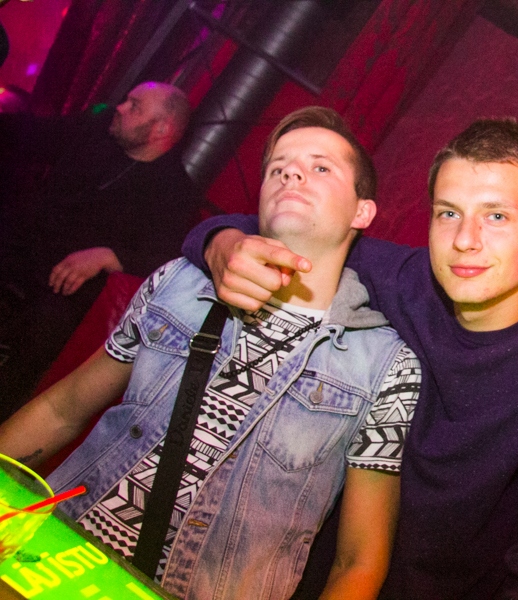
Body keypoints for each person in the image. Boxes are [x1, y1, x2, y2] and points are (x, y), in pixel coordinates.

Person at [182, 118, 518, 599]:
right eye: (449, 213)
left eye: (497, 216)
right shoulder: (405, 280)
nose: (465, 239)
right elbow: (277, 230)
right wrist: (220, 245)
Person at [0, 106, 420, 600]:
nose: (291, 174)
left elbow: (358, 561)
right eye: (277, 168)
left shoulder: (385, 366)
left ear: (361, 212)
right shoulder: (177, 283)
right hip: (51, 558)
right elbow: (62, 409)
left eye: (320, 167)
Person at [0, 82, 202, 419]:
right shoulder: (94, 133)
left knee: (47, 329)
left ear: (161, 129)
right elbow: (29, 133)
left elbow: (168, 258)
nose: (120, 108)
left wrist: (109, 256)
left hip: (65, 288)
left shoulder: (174, 194)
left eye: (134, 106)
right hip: (20, 245)